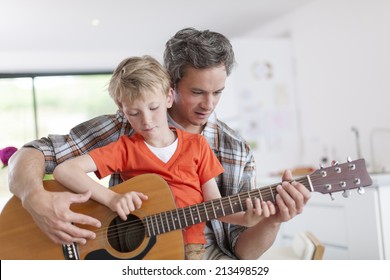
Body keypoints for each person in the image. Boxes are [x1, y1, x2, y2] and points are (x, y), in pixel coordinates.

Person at [8, 27, 311, 260]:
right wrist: (35, 198)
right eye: (196, 92)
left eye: (217, 92)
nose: (209, 104)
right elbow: (34, 153)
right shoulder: (124, 128)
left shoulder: (234, 149)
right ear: (171, 87)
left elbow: (242, 252)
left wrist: (270, 221)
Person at [52, 55, 271, 260]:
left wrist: (245, 219)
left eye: (153, 108)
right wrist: (112, 198)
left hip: (191, 248)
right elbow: (65, 170)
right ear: (122, 109)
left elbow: (213, 203)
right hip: (145, 251)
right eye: (134, 113)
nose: (146, 121)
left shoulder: (198, 146)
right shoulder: (124, 149)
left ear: (168, 97)